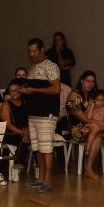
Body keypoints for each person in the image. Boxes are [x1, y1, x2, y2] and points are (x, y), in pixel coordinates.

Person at [22, 37, 62, 193]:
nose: (31, 54)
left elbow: (56, 89)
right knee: (37, 147)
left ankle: (47, 180)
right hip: (33, 113)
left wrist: (34, 91)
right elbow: (32, 87)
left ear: (42, 49)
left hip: (47, 113)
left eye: (34, 51)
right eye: (29, 51)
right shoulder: (33, 67)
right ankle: (40, 178)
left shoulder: (51, 66)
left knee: (46, 147)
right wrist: (24, 89)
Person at [68, 71, 104, 177]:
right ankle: (88, 168)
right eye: (87, 81)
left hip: (97, 127)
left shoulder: (95, 95)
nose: (90, 84)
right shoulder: (75, 94)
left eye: (92, 82)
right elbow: (80, 116)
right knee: (97, 137)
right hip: (79, 129)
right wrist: (98, 123)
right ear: (82, 81)